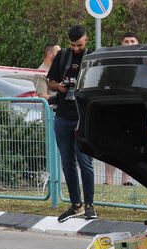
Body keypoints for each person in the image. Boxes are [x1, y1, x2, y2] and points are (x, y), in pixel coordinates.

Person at [47, 24, 96, 221]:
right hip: (62, 117)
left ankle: (90, 205)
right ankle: (75, 205)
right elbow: (49, 82)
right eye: (72, 45)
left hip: (83, 118)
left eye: (79, 44)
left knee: (85, 162)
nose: (75, 49)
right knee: (67, 163)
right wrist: (59, 86)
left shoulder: (93, 58)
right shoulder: (62, 56)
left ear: (86, 40)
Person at [105, 32, 140, 186]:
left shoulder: (141, 62)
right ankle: (109, 180)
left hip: (134, 108)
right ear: (122, 44)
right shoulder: (115, 62)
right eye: (126, 41)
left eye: (132, 41)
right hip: (115, 107)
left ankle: (126, 180)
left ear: (138, 43)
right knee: (112, 146)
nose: (129, 43)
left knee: (129, 146)